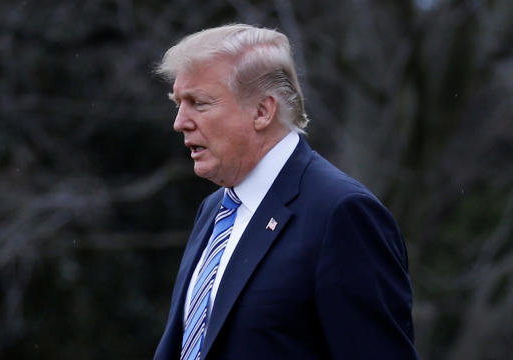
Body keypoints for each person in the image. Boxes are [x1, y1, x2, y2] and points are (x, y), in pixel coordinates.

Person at [153, 24, 419, 360]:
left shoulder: (342, 213)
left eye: (199, 103)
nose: (180, 122)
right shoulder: (216, 209)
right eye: (178, 102)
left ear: (263, 111)